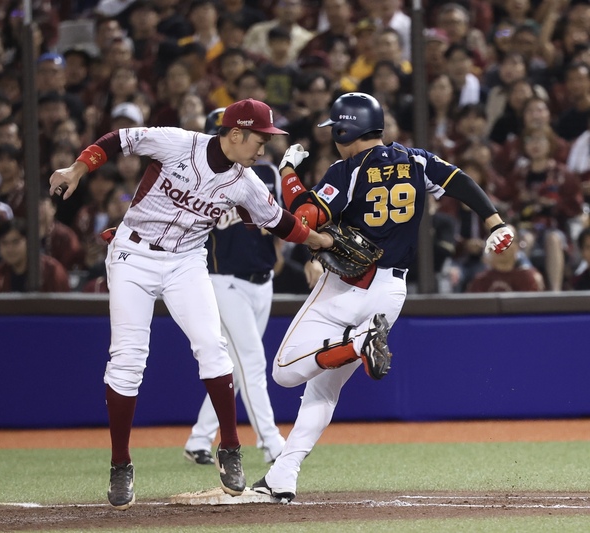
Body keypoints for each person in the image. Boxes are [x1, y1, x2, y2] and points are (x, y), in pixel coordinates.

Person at [49, 98, 332, 510]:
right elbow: (119, 139)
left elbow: (281, 223)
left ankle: (230, 448)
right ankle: (120, 463)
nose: (263, 148)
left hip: (186, 261)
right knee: (128, 359)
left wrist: (319, 241)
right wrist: (77, 168)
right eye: (259, 139)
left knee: (213, 348)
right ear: (236, 133)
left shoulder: (246, 182)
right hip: (133, 255)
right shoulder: (179, 143)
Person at [250, 92, 514, 502]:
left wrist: (287, 172)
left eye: (335, 130)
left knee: (285, 370)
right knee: (323, 390)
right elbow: (459, 180)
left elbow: (304, 217)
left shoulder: (347, 169)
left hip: (347, 285)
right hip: (391, 293)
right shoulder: (416, 159)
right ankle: (282, 476)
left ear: (345, 130)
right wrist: (495, 222)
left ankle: (357, 343)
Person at [183, 109, 320, 466]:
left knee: (237, 365)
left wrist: (288, 251)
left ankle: (199, 438)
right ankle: (272, 443)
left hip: (262, 280)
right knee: (252, 361)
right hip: (223, 280)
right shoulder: (200, 176)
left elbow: (281, 219)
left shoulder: (266, 173)